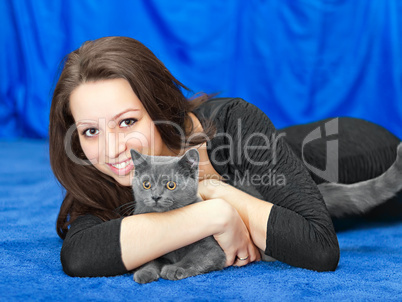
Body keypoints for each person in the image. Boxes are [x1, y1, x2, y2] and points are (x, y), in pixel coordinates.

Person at [49, 36, 400, 277]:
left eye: (127, 121)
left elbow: (319, 248)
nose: (111, 149)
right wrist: (213, 216)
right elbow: (80, 256)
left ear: (157, 107)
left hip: (360, 156)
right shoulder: (103, 174)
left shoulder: (234, 122)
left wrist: (217, 193)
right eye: (90, 131)